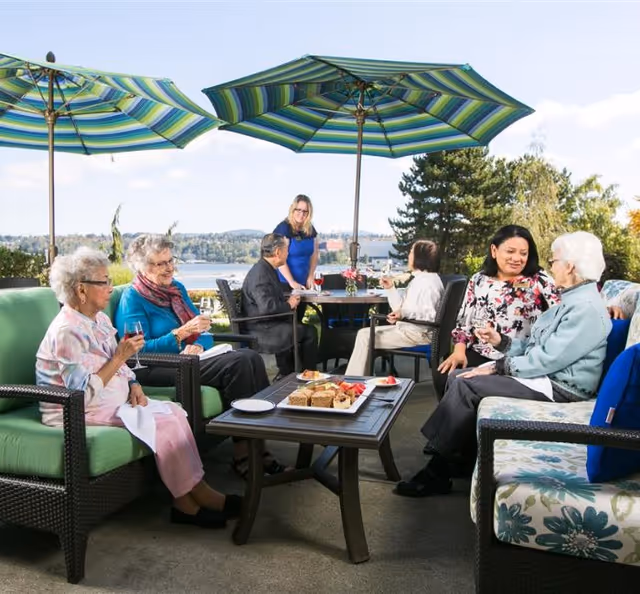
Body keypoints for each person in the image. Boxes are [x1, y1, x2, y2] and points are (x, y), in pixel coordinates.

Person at [395, 231, 612, 498]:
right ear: (494, 250)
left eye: (554, 260)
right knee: (458, 377)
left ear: (569, 266)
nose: (550, 265)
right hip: (543, 375)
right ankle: (455, 458)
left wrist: (499, 366)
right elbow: (539, 347)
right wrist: (502, 342)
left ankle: (436, 470)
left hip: (559, 386)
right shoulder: (573, 299)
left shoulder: (584, 307)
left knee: (466, 385)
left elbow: (548, 359)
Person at [36, 247, 241, 529]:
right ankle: (186, 501)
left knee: (176, 414)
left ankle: (198, 492)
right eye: (103, 282)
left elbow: (117, 363)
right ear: (81, 290)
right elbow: (79, 396)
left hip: (110, 402)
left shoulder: (99, 319)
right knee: (166, 424)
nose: (110, 288)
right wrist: (121, 356)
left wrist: (133, 382)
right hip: (72, 414)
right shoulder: (67, 331)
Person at [115, 234, 287, 479]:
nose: (169, 268)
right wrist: (180, 335)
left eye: (170, 261)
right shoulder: (133, 298)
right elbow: (136, 351)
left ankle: (259, 445)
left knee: (250, 357)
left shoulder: (177, 290)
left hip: (189, 359)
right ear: (142, 267)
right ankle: (243, 455)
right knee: (238, 363)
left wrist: (198, 345)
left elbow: (203, 330)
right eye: (160, 264)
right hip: (154, 368)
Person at [439, 225, 560, 374]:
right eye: (510, 251)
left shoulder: (540, 280)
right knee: (445, 375)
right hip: (480, 353)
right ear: (494, 251)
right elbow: (464, 322)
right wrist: (459, 352)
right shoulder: (479, 280)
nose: (516, 258)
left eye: (523, 253)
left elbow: (561, 315)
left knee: (469, 383)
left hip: (519, 358)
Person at [345, 240, 444, 376]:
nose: (409, 255)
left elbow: (428, 315)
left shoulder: (426, 284)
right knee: (364, 333)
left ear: (420, 257)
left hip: (416, 334)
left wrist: (402, 313)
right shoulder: (425, 280)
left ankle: (353, 382)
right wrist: (391, 288)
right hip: (411, 330)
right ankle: (362, 379)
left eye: (411, 252)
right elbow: (401, 308)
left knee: (364, 336)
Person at [242, 233, 318, 377]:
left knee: (297, 325)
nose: (288, 253)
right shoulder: (261, 273)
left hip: (264, 324)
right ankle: (309, 376)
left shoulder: (264, 269)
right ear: (278, 252)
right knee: (309, 332)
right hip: (262, 330)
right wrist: (289, 304)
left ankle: (290, 373)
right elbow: (267, 307)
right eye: (286, 250)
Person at [273, 194, 319, 292]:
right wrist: (292, 282)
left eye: (305, 211)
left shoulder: (310, 229)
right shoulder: (284, 229)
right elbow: (279, 259)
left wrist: (310, 276)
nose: (301, 214)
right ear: (293, 209)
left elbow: (314, 255)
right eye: (298, 210)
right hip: (284, 284)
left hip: (304, 284)